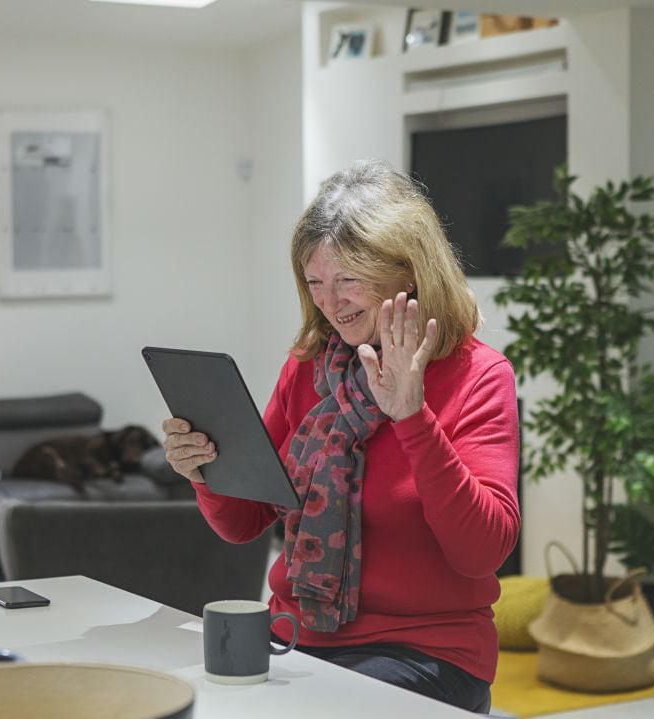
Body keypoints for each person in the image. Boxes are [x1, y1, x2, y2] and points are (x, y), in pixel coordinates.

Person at [161, 158, 519, 714]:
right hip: (297, 640)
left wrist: (413, 418)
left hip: (427, 653)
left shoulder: (479, 375)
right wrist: (204, 470)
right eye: (315, 283)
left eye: (349, 279)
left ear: (409, 273)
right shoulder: (308, 367)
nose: (330, 301)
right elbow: (243, 523)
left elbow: (482, 552)